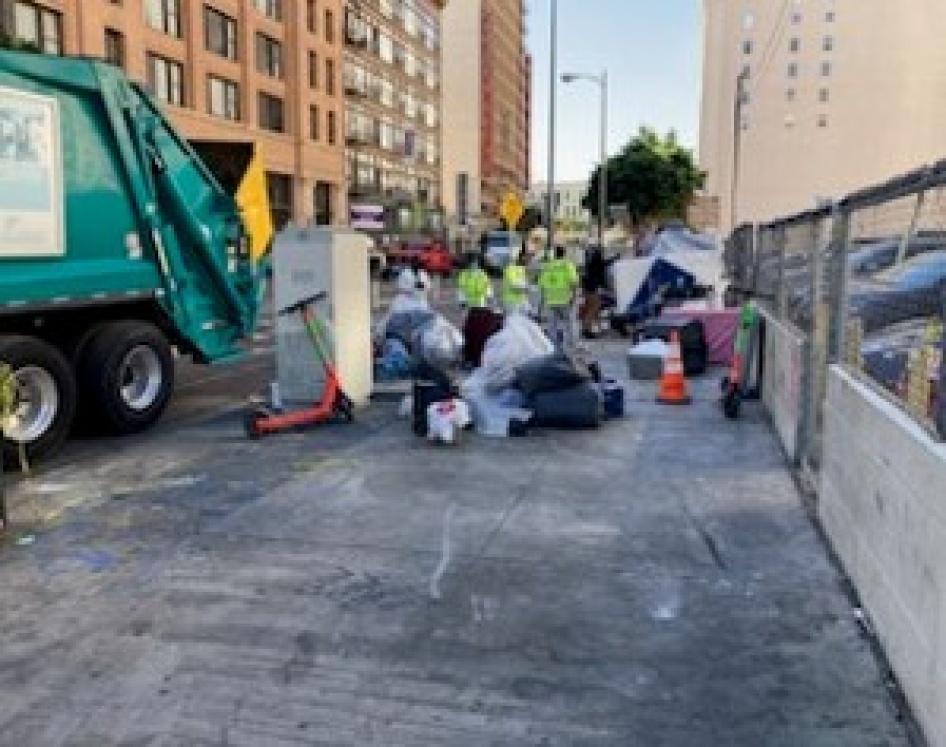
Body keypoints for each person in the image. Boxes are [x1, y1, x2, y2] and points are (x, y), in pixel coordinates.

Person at [538, 245, 580, 349]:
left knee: (552, 324)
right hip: (565, 299)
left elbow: (542, 285)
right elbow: (574, 282)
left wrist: (541, 304)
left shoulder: (547, 266)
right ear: (564, 253)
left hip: (551, 300)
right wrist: (574, 297)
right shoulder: (567, 265)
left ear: (555, 254)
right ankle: (572, 345)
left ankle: (553, 345)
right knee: (570, 323)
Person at [579, 244, 609, 339]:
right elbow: (602, 265)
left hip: (587, 285)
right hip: (592, 286)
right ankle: (587, 330)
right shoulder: (597, 258)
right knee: (594, 307)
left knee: (589, 307)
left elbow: (602, 264)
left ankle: (587, 328)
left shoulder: (590, 259)